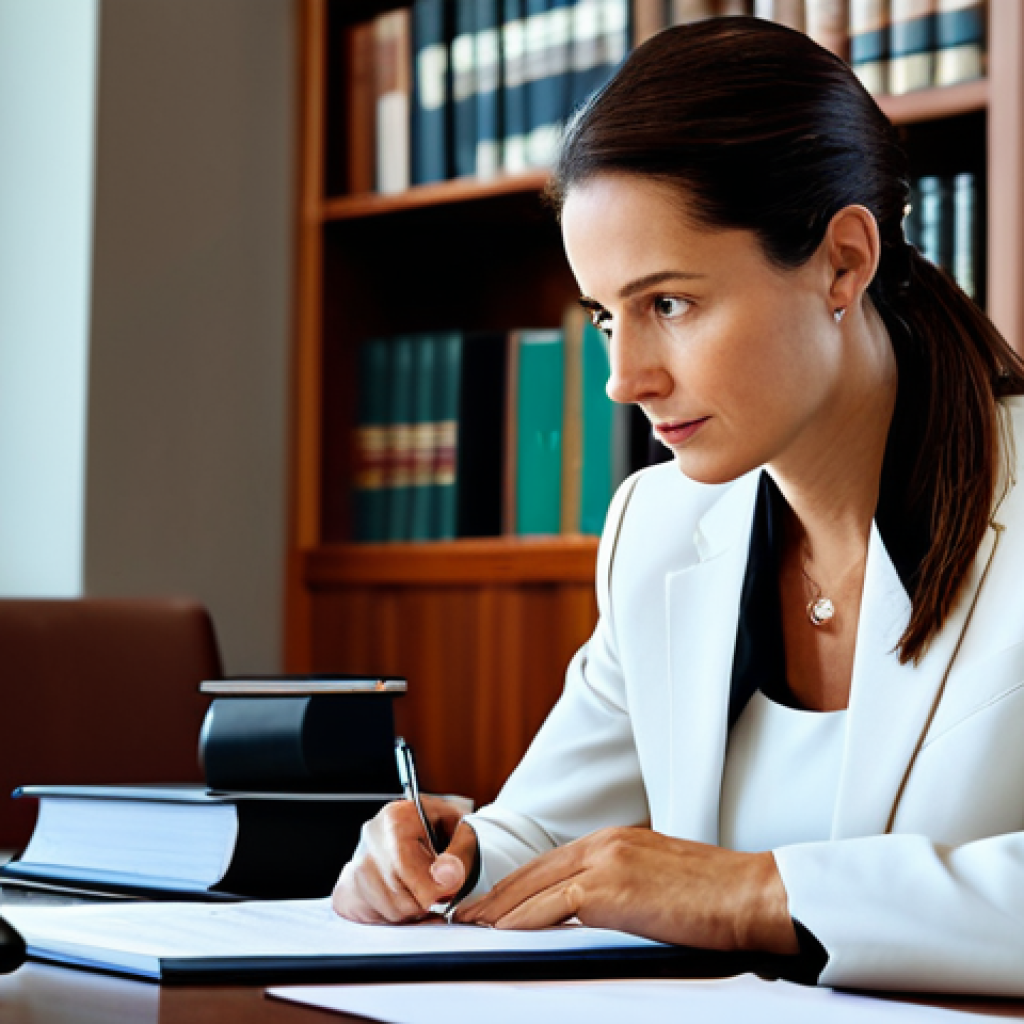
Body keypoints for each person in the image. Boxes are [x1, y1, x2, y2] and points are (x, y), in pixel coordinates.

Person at [333, 16, 1024, 995]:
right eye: (606, 316)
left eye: (669, 304)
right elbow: (548, 827)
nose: (621, 379)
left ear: (842, 260)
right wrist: (454, 854)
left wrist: (753, 893)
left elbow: (706, 887)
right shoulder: (654, 528)